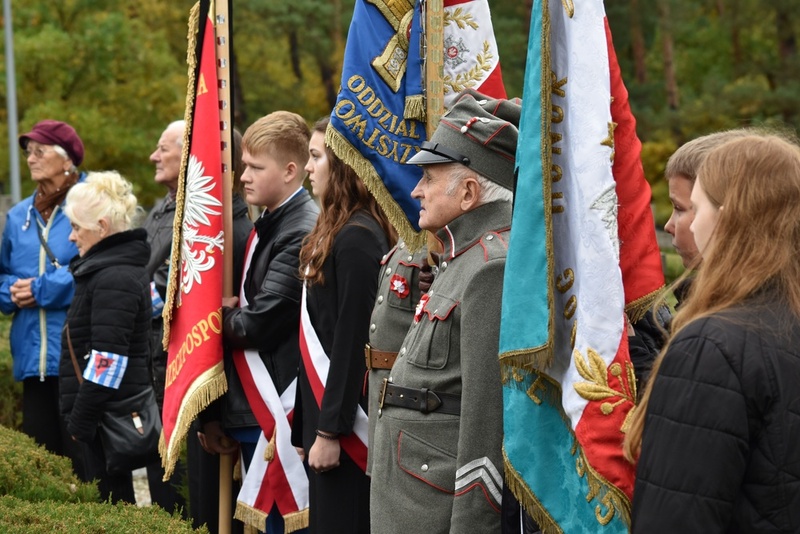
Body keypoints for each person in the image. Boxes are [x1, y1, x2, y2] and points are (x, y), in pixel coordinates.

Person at [626, 135, 800, 532]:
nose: (673, 225)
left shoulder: (712, 346)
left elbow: (676, 517)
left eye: (696, 206)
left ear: (728, 218)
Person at [370, 90, 520, 534]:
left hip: (435, 505)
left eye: (429, 179)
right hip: (414, 490)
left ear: (470, 192)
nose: (416, 190)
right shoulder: (462, 257)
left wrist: (473, 524)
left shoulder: (490, 268)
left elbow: (485, 421)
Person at [199, 111, 318, 533]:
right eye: (243, 165)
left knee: (277, 523)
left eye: (255, 167)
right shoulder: (269, 222)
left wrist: (212, 317)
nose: (243, 176)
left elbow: (260, 323)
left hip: (274, 403)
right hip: (253, 403)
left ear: (290, 170)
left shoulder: (299, 227)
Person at [291, 116, 395, 533]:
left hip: (349, 428)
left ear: (345, 167)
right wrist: (306, 427)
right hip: (323, 418)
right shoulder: (333, 231)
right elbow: (313, 343)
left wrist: (330, 431)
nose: (308, 167)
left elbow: (352, 341)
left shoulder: (357, 238)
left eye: (316, 157)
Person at [58, 171, 152, 504]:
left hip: (110, 424)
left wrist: (78, 423)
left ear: (101, 227)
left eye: (76, 227)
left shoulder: (115, 276)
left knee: (123, 505)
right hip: (108, 420)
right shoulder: (111, 269)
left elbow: (107, 361)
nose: (71, 237)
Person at [0, 120, 85, 463]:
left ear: (67, 160)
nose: (30, 159)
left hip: (77, 358)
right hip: (31, 358)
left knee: (84, 461)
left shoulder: (89, 201)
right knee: (45, 460)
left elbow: (93, 264)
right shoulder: (18, 214)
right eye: (28, 152)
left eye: (40, 151)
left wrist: (39, 289)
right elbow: (3, 275)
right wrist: (12, 293)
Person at [189, 127, 252, 533]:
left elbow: (237, 330)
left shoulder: (235, 236)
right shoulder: (201, 230)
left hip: (236, 407)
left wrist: (213, 418)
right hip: (210, 409)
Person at [141, 120, 188, 515]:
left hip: (173, 356)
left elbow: (168, 291)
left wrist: (130, 303)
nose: (153, 157)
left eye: (163, 149)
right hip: (152, 354)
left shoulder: (194, 212)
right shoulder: (160, 210)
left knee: (177, 478)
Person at [364, 238, 427, 478]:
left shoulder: (430, 245)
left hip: (405, 390)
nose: (417, 197)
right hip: (380, 387)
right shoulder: (404, 242)